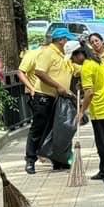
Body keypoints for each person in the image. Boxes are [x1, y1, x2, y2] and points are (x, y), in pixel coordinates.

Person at [26, 25, 75, 174]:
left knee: (58, 129)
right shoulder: (48, 53)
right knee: (39, 128)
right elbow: (40, 72)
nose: (68, 43)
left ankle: (59, 160)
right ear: (61, 40)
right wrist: (58, 86)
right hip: (44, 97)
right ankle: (30, 160)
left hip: (59, 98)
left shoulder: (62, 55)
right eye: (67, 40)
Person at [73, 44, 104, 187]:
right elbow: (96, 85)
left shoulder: (87, 67)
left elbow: (90, 93)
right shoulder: (98, 62)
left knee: (103, 144)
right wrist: (82, 85)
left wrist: (81, 111)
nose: (74, 61)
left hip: (101, 109)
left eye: (73, 58)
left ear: (79, 54)